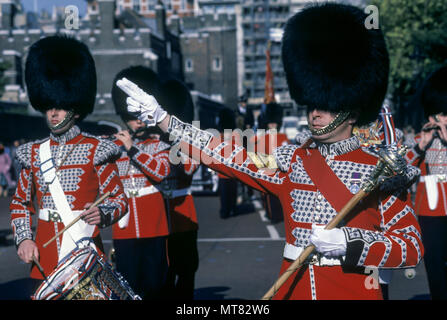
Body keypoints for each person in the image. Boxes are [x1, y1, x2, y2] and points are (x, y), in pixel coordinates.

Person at [116, 2, 424, 300]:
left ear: (352, 112)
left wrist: (352, 243)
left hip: (353, 290)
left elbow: (410, 246)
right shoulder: (293, 162)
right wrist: (164, 120)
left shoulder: (381, 169)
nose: (315, 113)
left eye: (326, 107)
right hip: (294, 288)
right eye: (311, 104)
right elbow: (226, 155)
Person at [9, 35, 128, 293]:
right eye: (49, 106)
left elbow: (119, 199)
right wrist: (24, 239)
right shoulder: (32, 153)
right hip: (44, 253)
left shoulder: (97, 149)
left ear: (75, 107)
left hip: (83, 250)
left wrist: (104, 213)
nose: (53, 113)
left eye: (61, 107)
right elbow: (20, 202)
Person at [110, 66, 171, 300]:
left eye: (141, 117)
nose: (139, 122)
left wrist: (132, 150)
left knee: (156, 284)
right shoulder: (112, 146)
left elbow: (160, 172)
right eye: (133, 118)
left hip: (153, 224)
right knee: (127, 286)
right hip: (124, 227)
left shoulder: (159, 145)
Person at [404, 66, 447, 300]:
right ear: (433, 116)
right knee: (435, 267)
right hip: (431, 211)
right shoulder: (420, 140)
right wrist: (421, 147)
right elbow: (400, 170)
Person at [158, 78, 200, 300]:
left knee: (186, 271)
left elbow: (189, 169)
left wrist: (178, 143)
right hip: (158, 214)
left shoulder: (188, 144)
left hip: (183, 214)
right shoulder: (154, 141)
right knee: (161, 275)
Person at [253, 102, 288, 223]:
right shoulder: (263, 138)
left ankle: (278, 215)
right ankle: (272, 215)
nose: (273, 125)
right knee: (269, 197)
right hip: (269, 170)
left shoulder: (283, 137)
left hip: (281, 171)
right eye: (271, 123)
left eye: (275, 123)